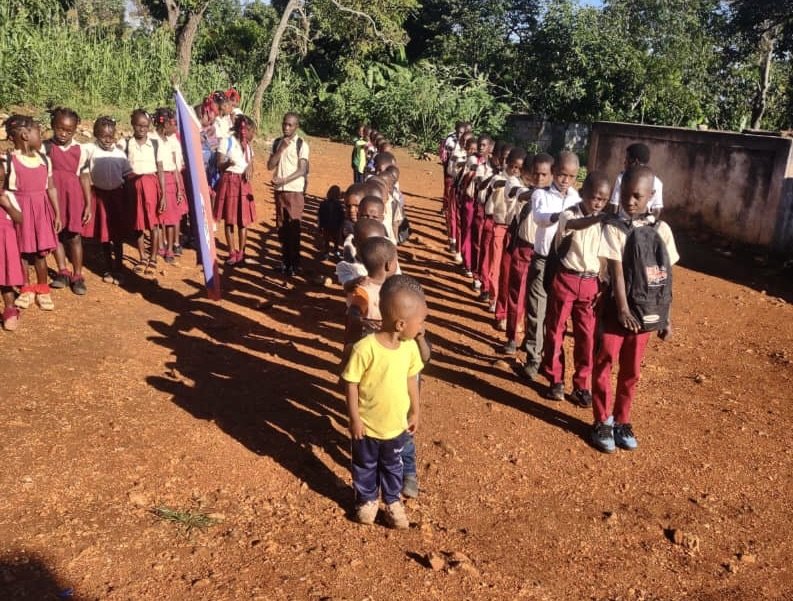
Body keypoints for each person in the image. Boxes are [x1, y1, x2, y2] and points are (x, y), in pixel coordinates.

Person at [591, 165, 678, 453]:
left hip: (646, 314)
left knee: (632, 371)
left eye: (637, 196)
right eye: (626, 195)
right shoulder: (614, 228)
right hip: (617, 313)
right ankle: (601, 421)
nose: (630, 202)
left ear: (651, 196)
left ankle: (622, 421)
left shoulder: (661, 230)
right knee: (604, 362)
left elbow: (664, 276)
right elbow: (615, 272)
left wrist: (665, 317)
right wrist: (623, 311)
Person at [341, 274, 427, 528]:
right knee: (365, 465)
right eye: (419, 322)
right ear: (401, 324)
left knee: (393, 466)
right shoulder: (364, 348)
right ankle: (367, 500)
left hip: (396, 426)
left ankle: (391, 501)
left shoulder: (409, 348)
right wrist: (354, 418)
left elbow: (412, 379)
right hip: (367, 426)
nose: (422, 328)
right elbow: (351, 383)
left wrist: (416, 411)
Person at [540, 171, 610, 405]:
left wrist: (603, 282)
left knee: (586, 337)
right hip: (566, 279)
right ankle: (555, 379)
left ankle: (581, 385)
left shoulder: (604, 223)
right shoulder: (569, 214)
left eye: (603, 199)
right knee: (555, 330)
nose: (598, 203)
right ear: (582, 193)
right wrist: (599, 218)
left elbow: (605, 256)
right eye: (594, 197)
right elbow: (575, 225)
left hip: (590, 283)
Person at [522, 151, 581, 378]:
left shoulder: (577, 199)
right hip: (543, 259)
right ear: (554, 172)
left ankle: (551, 360)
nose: (565, 180)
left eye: (571, 176)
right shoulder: (541, 194)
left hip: (564, 264)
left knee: (556, 317)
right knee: (537, 309)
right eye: (562, 174)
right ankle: (533, 357)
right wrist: (561, 216)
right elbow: (539, 217)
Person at [1, 116, 61, 311]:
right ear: (26, 135)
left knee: (40, 253)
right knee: (22, 252)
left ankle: (43, 290)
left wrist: (57, 213)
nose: (41, 136)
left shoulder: (44, 159)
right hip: (20, 211)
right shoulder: (8, 162)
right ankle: (26, 288)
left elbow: (50, 187)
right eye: (38, 132)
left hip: (41, 211)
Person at [501, 154, 553, 352]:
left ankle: (533, 342)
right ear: (528, 175)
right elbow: (518, 194)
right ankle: (512, 337)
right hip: (524, 248)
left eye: (544, 174)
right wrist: (538, 193)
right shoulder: (524, 191)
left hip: (546, 255)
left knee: (540, 302)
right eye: (535, 174)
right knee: (517, 294)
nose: (539, 178)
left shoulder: (557, 198)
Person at [44, 107, 91, 295]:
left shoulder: (81, 150)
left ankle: (77, 275)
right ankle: (62, 271)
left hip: (73, 196)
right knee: (55, 233)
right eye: (59, 129)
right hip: (52, 195)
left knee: (74, 236)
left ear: (75, 129)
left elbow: (85, 177)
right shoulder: (45, 147)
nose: (63, 134)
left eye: (68, 131)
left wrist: (88, 203)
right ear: (53, 126)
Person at [81, 116, 132, 285]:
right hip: (100, 197)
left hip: (116, 197)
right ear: (96, 134)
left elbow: (127, 175)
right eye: (104, 136)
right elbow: (83, 171)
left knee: (117, 236)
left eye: (111, 136)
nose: (108, 140)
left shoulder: (119, 154)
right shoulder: (90, 150)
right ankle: (107, 267)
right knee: (104, 236)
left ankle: (119, 268)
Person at [268, 112, 309, 277]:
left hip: (294, 190)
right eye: (284, 124)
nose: (286, 127)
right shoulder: (277, 142)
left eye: (290, 125)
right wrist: (281, 149)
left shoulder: (301, 144)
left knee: (293, 227)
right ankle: (285, 261)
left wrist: (284, 180)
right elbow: (270, 165)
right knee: (281, 227)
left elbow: (302, 169)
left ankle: (294, 263)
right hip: (280, 191)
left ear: (296, 127)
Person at [481, 146, 521, 309]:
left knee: (507, 268)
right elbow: (496, 184)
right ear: (507, 164)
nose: (515, 170)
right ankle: (494, 296)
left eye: (519, 168)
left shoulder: (521, 183)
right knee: (494, 264)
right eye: (513, 166)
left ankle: (502, 298)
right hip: (498, 225)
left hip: (513, 230)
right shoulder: (498, 178)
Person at [215, 114, 256, 266]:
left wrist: (250, 168)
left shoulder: (248, 146)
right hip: (230, 181)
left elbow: (251, 163)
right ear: (243, 130)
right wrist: (228, 164)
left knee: (243, 220)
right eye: (252, 131)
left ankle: (242, 253)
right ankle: (232, 252)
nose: (253, 135)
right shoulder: (227, 141)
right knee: (230, 219)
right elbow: (219, 165)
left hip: (243, 184)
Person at [344, 236, 398, 349]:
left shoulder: (392, 287)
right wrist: (363, 322)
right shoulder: (365, 289)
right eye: (396, 261)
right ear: (388, 265)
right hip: (366, 342)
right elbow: (353, 311)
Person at [151, 108, 186, 264]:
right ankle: (159, 246)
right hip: (157, 180)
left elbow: (175, 166)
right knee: (158, 216)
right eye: (174, 125)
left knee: (171, 218)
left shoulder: (171, 141)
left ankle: (170, 248)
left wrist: (179, 188)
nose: (176, 129)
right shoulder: (152, 139)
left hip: (171, 180)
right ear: (165, 124)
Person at [608, 143, 663, 218]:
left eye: (627, 159)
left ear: (635, 162)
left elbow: (614, 205)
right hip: (643, 224)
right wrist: (648, 225)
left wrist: (612, 222)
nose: (624, 162)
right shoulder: (657, 182)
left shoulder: (622, 178)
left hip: (622, 221)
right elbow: (657, 210)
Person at [0, 190, 24, 330]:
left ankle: (10, 310)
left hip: (4, 242)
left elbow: (20, 218)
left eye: (1, 179)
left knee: (5, 279)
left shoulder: (8, 196)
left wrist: (7, 205)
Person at [317, 184, 344, 260]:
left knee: (326, 240)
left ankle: (326, 253)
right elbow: (342, 216)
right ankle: (335, 251)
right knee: (336, 240)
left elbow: (320, 215)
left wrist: (320, 226)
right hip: (336, 226)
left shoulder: (323, 203)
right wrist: (341, 226)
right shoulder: (339, 205)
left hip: (326, 225)